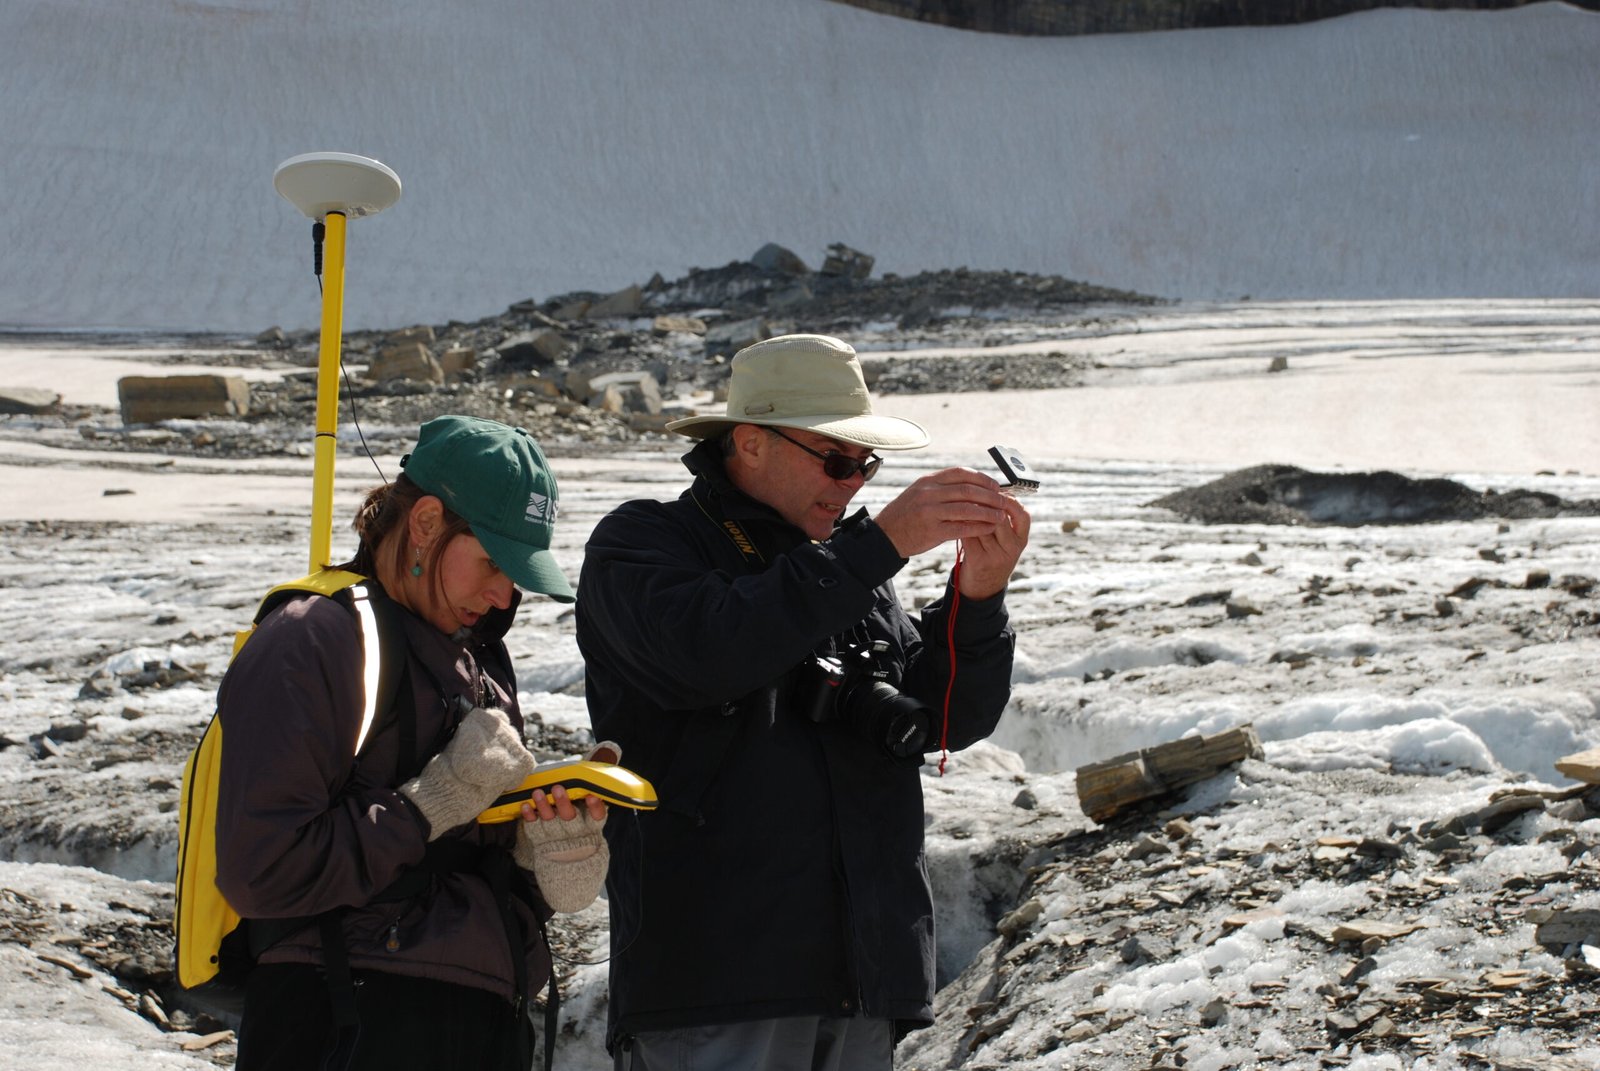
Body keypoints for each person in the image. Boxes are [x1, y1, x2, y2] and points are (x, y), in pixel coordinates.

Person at [575, 334, 1032, 1070]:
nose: (853, 483)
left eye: (865, 464)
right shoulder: (645, 544)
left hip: (863, 982)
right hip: (717, 982)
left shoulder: (850, 571)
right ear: (750, 443)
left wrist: (978, 599)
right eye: (836, 458)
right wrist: (874, 548)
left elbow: (941, 720)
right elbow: (712, 650)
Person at [214, 415, 611, 1071]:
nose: (503, 592)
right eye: (492, 560)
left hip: (483, 1021)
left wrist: (544, 861)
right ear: (425, 522)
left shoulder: (480, 659)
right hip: (341, 1023)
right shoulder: (314, 639)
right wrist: (429, 803)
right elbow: (262, 871)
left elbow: (455, 868)